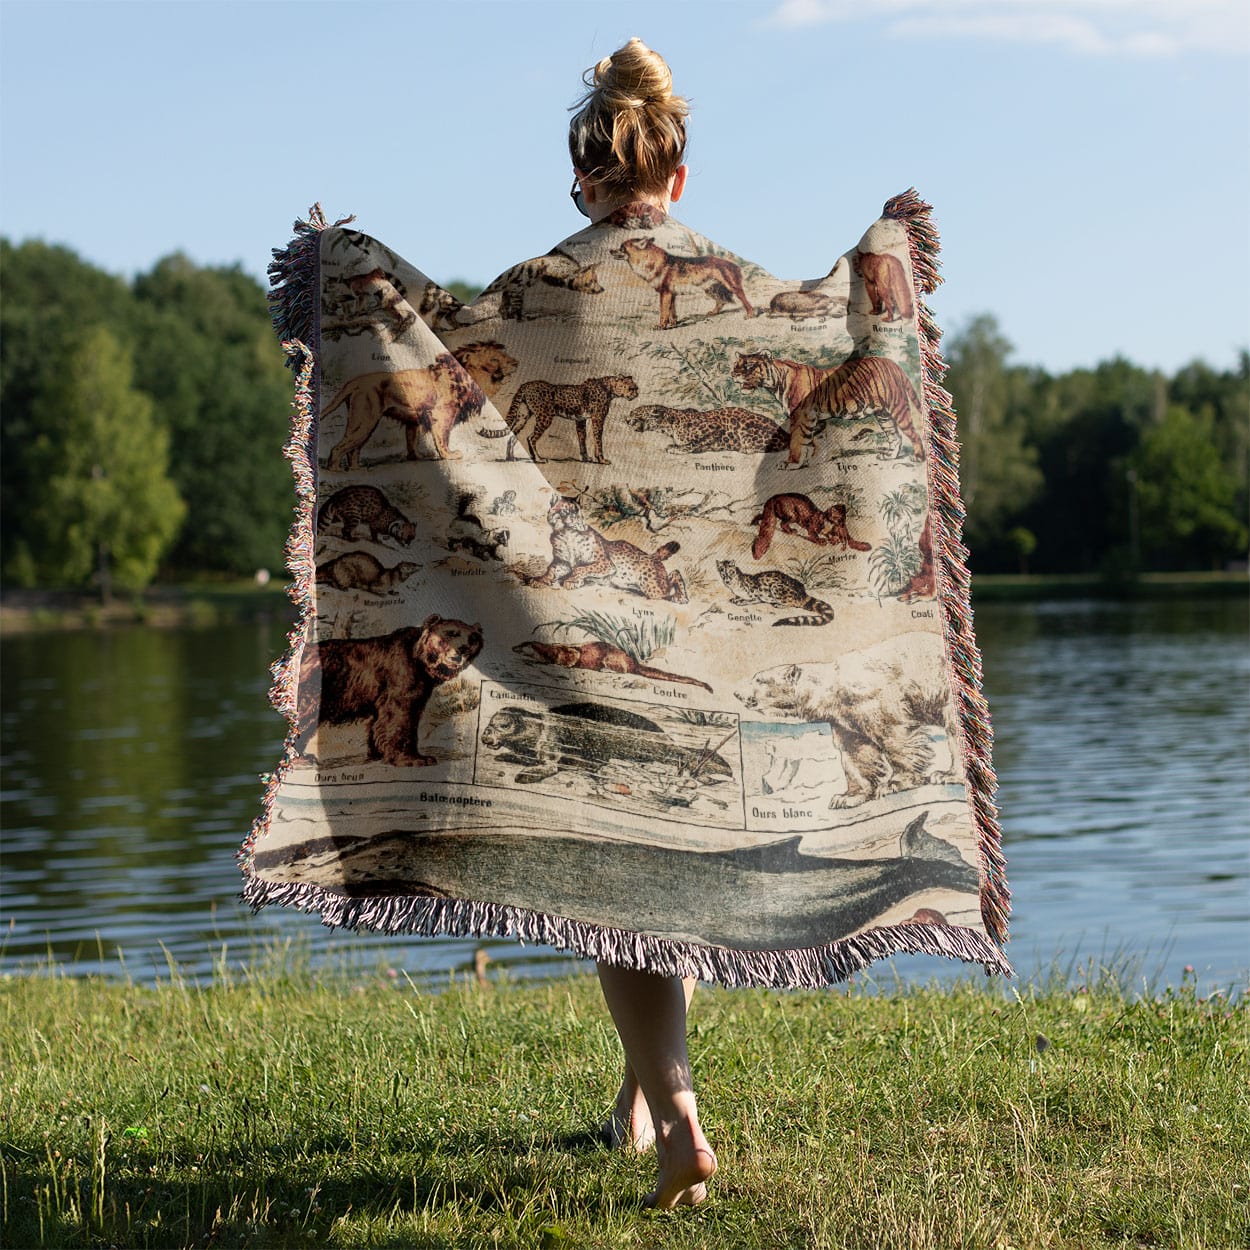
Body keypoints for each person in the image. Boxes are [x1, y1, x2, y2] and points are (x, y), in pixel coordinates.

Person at [559, 37, 718, 1212]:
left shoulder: (539, 291)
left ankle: (678, 1120)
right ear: (678, 172)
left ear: (581, 178)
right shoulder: (727, 289)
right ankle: (631, 1103)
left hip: (590, 626)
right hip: (709, 625)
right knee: (673, 878)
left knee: (619, 886)